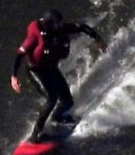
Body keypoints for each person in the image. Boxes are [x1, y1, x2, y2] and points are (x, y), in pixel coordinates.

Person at [10, 8, 105, 140]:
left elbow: (82, 28)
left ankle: (57, 117)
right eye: (56, 24)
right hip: (35, 70)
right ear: (49, 24)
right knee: (52, 99)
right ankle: (35, 134)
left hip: (51, 69)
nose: (60, 26)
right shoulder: (35, 35)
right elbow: (20, 54)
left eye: (60, 23)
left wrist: (98, 40)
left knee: (67, 101)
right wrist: (14, 77)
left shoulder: (59, 29)